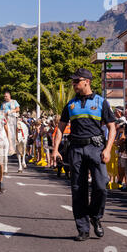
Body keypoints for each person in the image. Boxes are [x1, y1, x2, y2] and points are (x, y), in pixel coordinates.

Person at [52, 68, 116, 242]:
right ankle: (83, 228)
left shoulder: (101, 102)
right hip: (76, 150)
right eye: (73, 82)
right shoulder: (70, 105)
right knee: (78, 189)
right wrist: (55, 149)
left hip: (96, 148)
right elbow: (60, 128)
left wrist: (108, 149)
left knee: (101, 185)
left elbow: (112, 127)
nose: (74, 85)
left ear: (86, 81)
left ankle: (95, 216)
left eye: (76, 81)